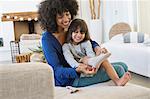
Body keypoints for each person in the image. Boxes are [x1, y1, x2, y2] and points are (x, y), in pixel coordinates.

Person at [38, 0, 131, 87]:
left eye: (67, 14)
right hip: (70, 79)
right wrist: (77, 70)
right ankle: (118, 82)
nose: (66, 19)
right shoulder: (47, 39)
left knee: (123, 65)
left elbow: (89, 41)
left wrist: (97, 48)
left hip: (85, 67)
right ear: (52, 18)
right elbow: (56, 70)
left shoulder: (70, 28)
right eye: (60, 17)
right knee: (120, 69)